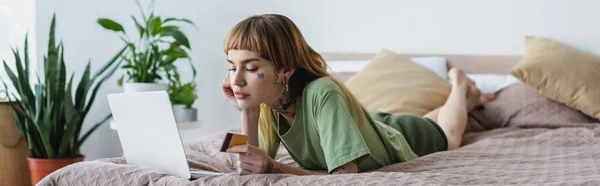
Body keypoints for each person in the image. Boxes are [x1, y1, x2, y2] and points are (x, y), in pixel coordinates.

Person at [220, 14, 487, 175]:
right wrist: (245, 110)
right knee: (429, 118)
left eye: (251, 68)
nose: (237, 79)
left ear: (286, 71)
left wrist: (274, 167)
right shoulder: (268, 101)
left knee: (449, 136)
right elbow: (246, 168)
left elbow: (345, 178)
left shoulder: (323, 93)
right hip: (371, 125)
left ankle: (459, 85)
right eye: (232, 67)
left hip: (404, 135)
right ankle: (469, 99)